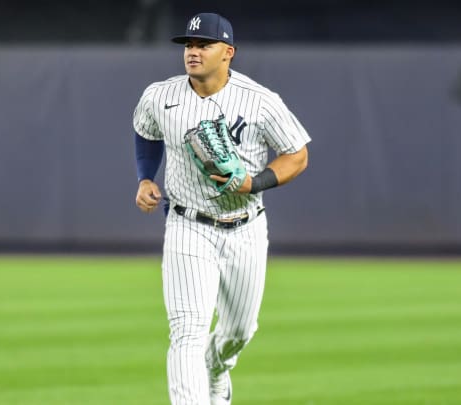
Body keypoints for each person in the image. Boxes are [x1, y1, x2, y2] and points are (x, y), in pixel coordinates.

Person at [132, 12, 310, 405]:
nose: (192, 52)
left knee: (239, 333)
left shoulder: (260, 101)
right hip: (187, 225)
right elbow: (146, 133)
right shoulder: (161, 96)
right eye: (188, 45)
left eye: (203, 45)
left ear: (227, 52)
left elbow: (297, 155)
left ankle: (217, 369)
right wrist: (146, 177)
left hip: (245, 227)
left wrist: (254, 182)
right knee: (187, 332)